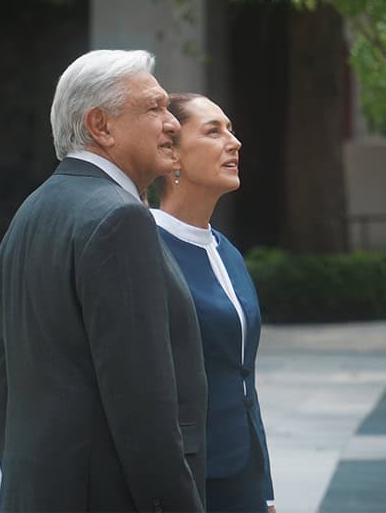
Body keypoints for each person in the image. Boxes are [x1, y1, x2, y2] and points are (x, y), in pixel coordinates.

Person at [0, 50, 207, 513]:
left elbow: (7, 385)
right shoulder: (120, 218)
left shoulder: (30, 212)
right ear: (100, 125)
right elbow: (142, 407)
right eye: (154, 108)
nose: (172, 123)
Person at [151, 93, 275, 513]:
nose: (234, 142)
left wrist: (266, 489)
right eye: (213, 131)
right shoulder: (144, 248)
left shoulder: (228, 253)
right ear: (173, 155)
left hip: (243, 474)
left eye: (231, 129)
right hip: (184, 479)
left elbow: (244, 380)